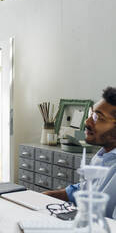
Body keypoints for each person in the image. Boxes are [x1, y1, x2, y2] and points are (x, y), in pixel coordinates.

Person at [44, 87, 116, 217]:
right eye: (91, 114)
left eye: (97, 117)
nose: (87, 122)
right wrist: (44, 197)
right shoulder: (102, 156)